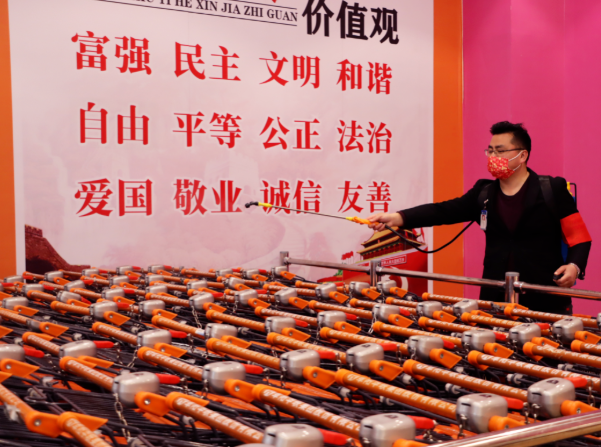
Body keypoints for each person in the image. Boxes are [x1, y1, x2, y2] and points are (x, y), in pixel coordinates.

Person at [368, 121, 591, 314]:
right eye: (490, 151)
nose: (493, 157)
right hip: (495, 295)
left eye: (500, 151)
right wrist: (398, 218)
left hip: (544, 295)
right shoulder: (483, 193)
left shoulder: (552, 189)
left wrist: (574, 266)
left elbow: (580, 238)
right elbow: (443, 210)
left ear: (522, 155)